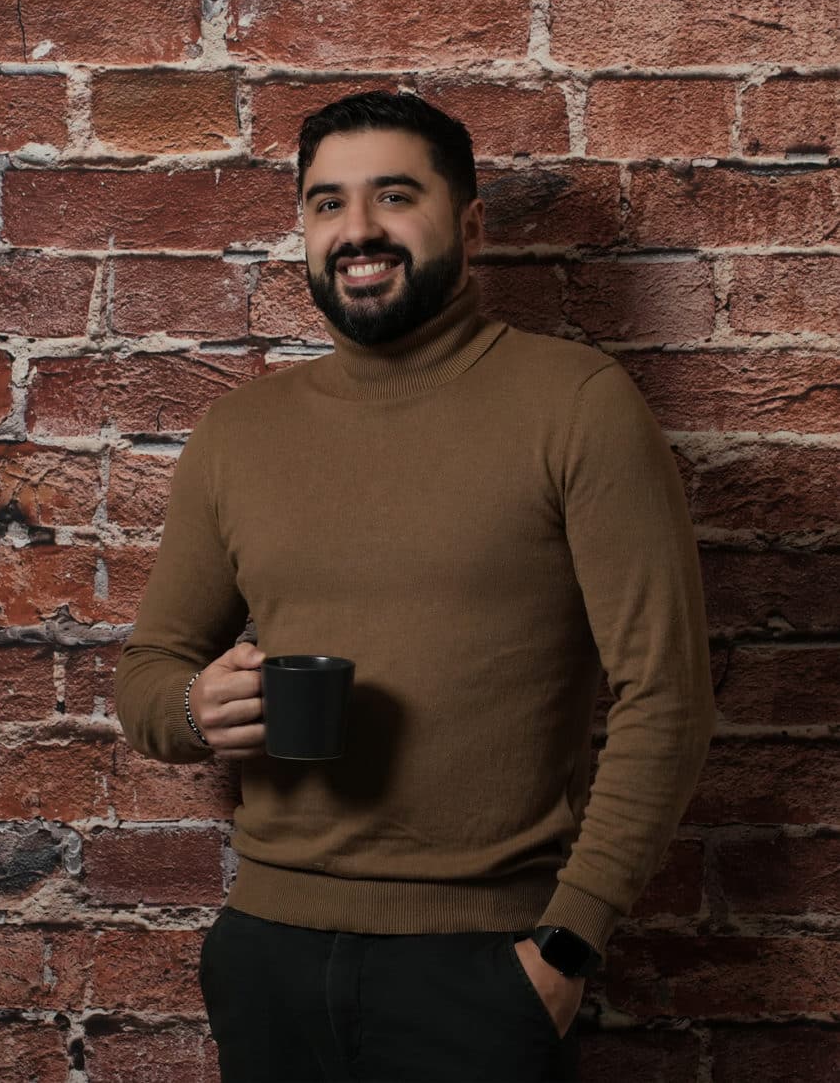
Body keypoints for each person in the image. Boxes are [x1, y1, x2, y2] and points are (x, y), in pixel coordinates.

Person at [115, 91, 715, 1083]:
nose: (356, 230)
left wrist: (565, 943)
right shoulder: (240, 434)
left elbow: (666, 696)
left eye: (392, 195)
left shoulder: (574, 404)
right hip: (267, 948)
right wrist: (191, 704)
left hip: (481, 965)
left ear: (468, 220)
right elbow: (149, 672)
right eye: (325, 202)